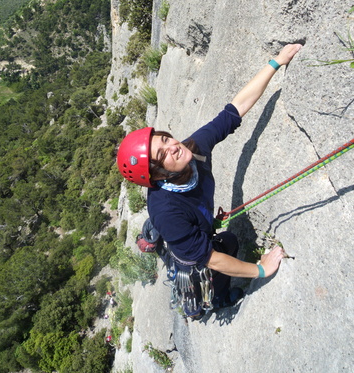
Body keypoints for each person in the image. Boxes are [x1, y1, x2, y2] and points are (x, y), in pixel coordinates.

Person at [117, 44, 302, 310]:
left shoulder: (194, 150)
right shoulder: (167, 210)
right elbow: (212, 259)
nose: (173, 146)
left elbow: (234, 109)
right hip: (190, 253)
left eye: (166, 138)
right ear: (156, 174)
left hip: (189, 227)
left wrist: (276, 62)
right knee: (227, 246)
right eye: (162, 154)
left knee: (216, 238)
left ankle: (157, 239)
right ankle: (217, 300)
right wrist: (260, 270)